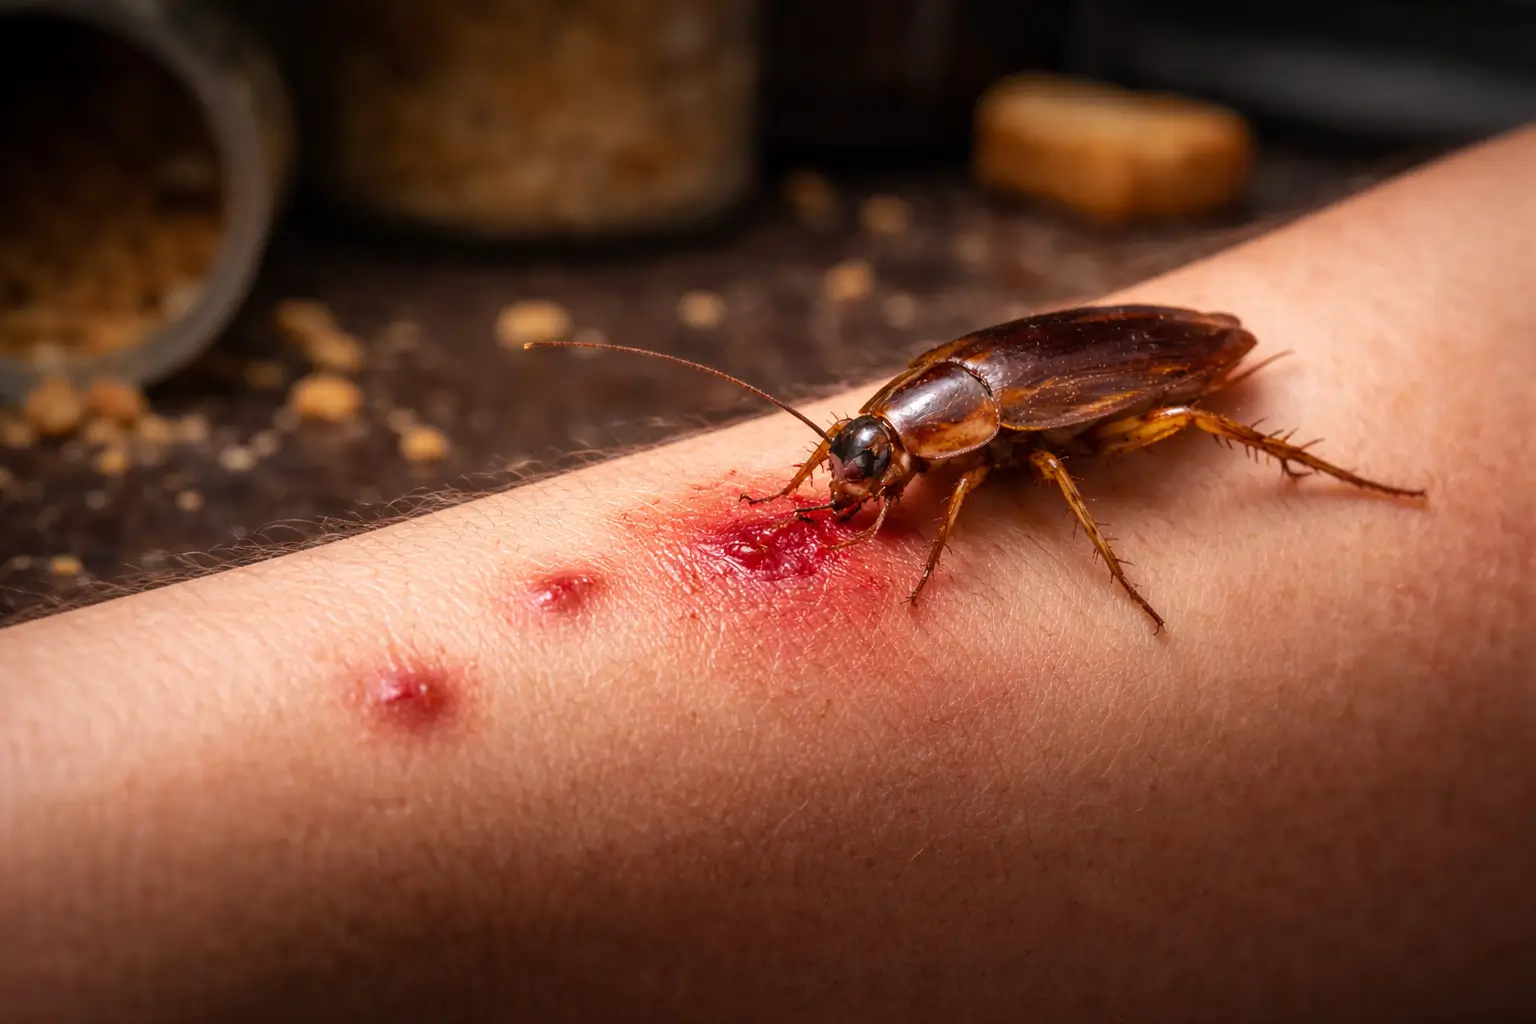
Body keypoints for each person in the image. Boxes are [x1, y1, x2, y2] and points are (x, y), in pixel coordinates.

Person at [2, 127, 1532, 1024]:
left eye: (872, 463)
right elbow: (879, 447)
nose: (860, 478)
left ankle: (1333, 479)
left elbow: (1033, 471)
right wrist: (829, 476)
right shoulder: (904, 423)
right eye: (858, 457)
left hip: (1151, 373)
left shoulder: (995, 449)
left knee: (1165, 438)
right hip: (1009, 371)